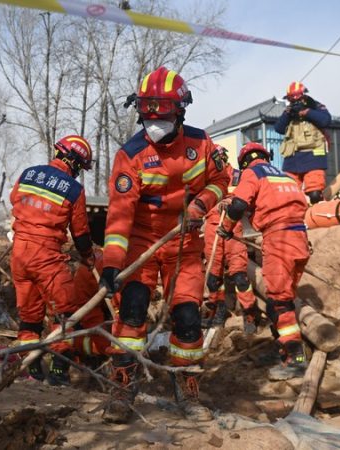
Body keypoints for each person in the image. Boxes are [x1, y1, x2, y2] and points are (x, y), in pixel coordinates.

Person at [99, 66, 229, 423]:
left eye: (164, 113)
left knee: (188, 318)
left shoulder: (201, 145)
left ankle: (188, 390)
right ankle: (123, 387)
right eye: (147, 113)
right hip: (141, 246)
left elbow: (221, 180)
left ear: (180, 111)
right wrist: (112, 261)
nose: (154, 121)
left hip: (184, 246)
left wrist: (200, 205)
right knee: (132, 313)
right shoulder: (131, 154)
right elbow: (120, 212)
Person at [217, 142, 311, 380]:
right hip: (299, 237)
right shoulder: (286, 176)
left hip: (278, 239)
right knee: (283, 298)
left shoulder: (252, 173)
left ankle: (295, 358)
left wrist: (227, 228)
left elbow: (239, 204)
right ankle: (284, 349)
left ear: (245, 161)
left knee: (279, 302)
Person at [10, 135, 95, 386]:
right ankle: (59, 370)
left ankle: (32, 368)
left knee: (29, 314)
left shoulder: (28, 174)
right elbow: (80, 232)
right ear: (76, 163)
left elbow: (14, 200)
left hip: (19, 254)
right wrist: (88, 256)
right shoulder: (73, 189)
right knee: (65, 312)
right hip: (46, 256)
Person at [203, 144, 259, 334]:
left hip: (234, 227)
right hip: (212, 226)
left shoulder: (238, 176)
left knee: (240, 276)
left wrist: (231, 201)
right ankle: (217, 311)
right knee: (213, 276)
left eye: (220, 158)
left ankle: (250, 313)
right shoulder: (203, 178)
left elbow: (248, 198)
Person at [274, 81, 332, 204]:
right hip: (292, 158)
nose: (295, 102)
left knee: (315, 193)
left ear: (304, 96)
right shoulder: (289, 113)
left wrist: (306, 112)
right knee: (288, 195)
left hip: (314, 155)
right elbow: (279, 128)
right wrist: (288, 114)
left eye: (298, 99)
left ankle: (317, 216)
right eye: (292, 100)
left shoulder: (316, 106)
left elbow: (326, 121)